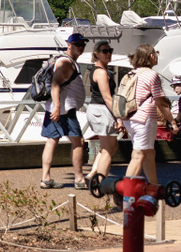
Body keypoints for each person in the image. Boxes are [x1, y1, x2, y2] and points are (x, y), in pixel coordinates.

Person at [39, 33, 88, 189]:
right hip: (63, 111)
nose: (81, 47)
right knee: (78, 142)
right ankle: (79, 179)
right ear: (69, 45)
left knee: (52, 141)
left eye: (83, 45)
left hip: (58, 109)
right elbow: (55, 84)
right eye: (77, 44)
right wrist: (58, 106)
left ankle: (46, 178)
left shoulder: (67, 61)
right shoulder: (65, 63)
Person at [121, 44, 163, 191]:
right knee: (138, 155)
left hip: (130, 118)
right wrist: (172, 121)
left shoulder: (130, 74)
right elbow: (160, 100)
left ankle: (155, 188)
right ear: (151, 56)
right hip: (144, 119)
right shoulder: (151, 74)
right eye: (156, 53)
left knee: (149, 153)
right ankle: (126, 193)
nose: (157, 56)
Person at [86, 41, 121, 182]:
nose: (108, 54)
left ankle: (92, 174)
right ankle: (100, 182)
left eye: (110, 50)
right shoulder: (101, 72)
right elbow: (107, 98)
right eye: (105, 51)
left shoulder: (101, 70)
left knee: (112, 147)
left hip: (99, 110)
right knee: (108, 149)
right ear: (96, 54)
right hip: (102, 110)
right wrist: (119, 117)